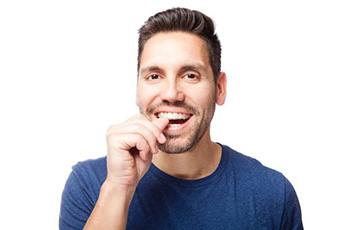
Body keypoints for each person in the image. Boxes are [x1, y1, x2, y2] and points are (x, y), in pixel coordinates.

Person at [59, 7, 303, 230]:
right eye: (154, 76)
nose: (171, 94)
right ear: (137, 88)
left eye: (190, 75)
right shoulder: (89, 185)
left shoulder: (272, 193)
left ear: (219, 88)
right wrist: (118, 188)